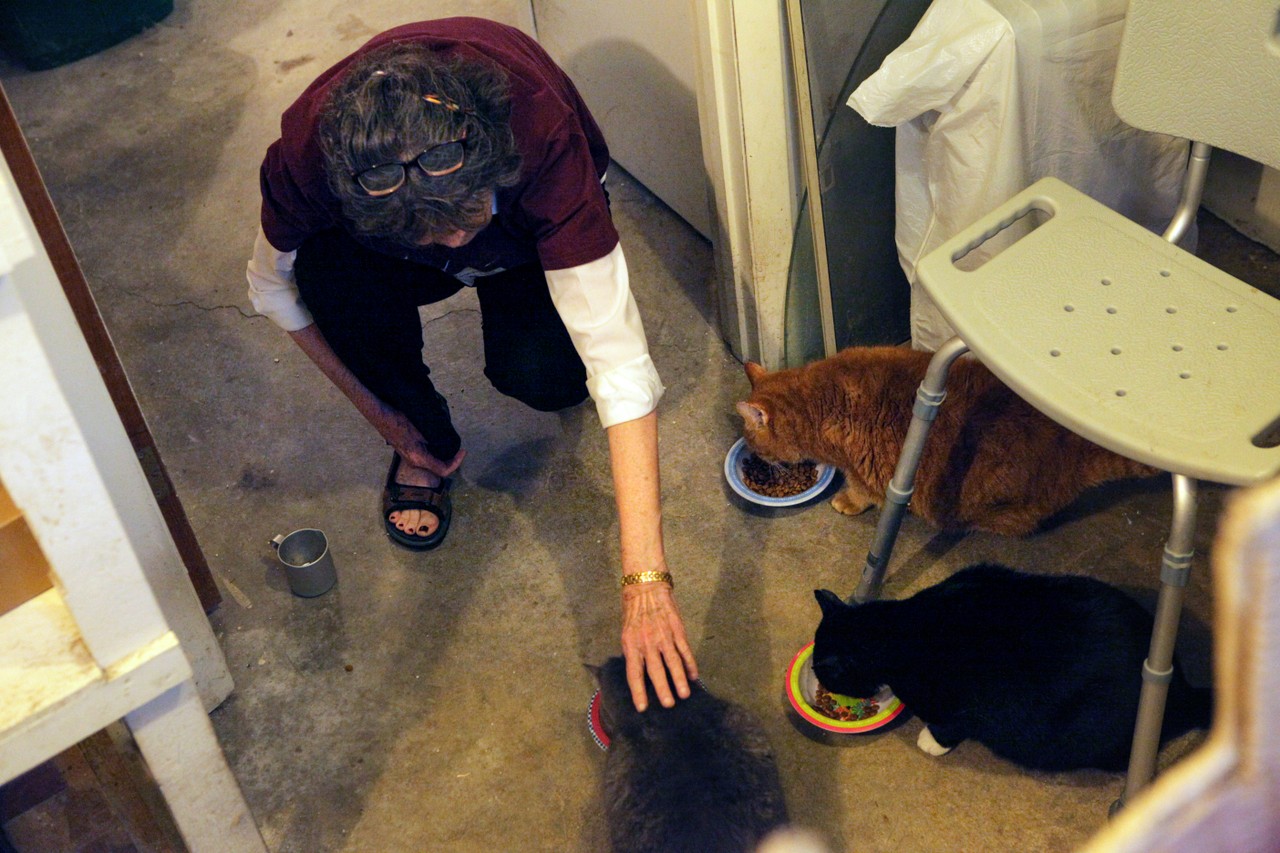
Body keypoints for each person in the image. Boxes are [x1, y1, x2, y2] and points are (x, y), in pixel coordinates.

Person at [245, 17, 696, 710]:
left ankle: (504, 279)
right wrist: (382, 414)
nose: (455, 243)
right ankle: (423, 441)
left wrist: (646, 584)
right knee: (329, 276)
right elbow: (271, 289)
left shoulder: (541, 137)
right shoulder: (305, 161)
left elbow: (622, 364)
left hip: (519, 235)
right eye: (436, 233)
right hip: (386, 251)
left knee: (548, 377)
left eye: (464, 219)